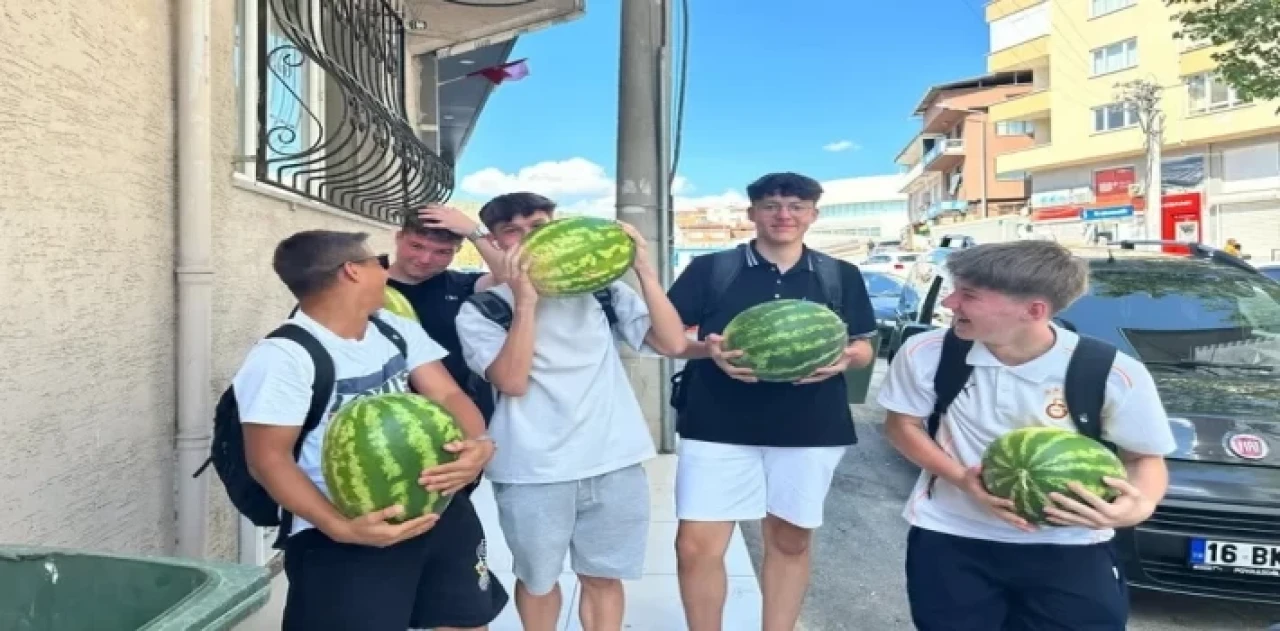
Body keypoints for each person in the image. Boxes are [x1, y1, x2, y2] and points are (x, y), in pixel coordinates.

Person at [878, 240, 1175, 631]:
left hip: (1073, 548)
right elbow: (902, 426)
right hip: (952, 538)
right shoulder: (926, 353)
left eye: (968, 295)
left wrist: (1139, 507)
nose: (950, 304)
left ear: (1033, 311)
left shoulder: (1112, 372)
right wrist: (961, 480)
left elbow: (1144, 459)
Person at [234, 229, 506, 631]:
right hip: (346, 532)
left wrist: (477, 445)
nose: (387, 270)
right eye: (377, 262)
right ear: (352, 272)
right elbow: (267, 460)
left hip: (439, 509)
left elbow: (447, 395)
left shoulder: (392, 328)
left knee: (464, 621)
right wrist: (341, 528)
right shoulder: (283, 357)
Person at [454, 192, 690, 631]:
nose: (528, 240)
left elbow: (673, 343)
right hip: (532, 470)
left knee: (602, 578)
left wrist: (643, 268)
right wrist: (525, 302)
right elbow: (512, 380)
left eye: (539, 228)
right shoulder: (482, 308)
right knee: (539, 581)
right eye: (513, 232)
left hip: (613, 460)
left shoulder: (603, 291)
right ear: (496, 242)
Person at [666, 172, 878, 631]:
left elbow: (864, 347)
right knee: (695, 545)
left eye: (796, 206)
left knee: (790, 541)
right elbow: (666, 338)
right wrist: (710, 350)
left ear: (812, 215)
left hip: (809, 427)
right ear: (753, 213)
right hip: (716, 422)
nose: (784, 215)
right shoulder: (712, 270)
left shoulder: (840, 275)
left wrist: (844, 360)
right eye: (772, 205)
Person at [382, 204, 506, 422]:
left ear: (456, 251)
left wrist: (472, 231)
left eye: (442, 252)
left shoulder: (463, 285)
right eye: (416, 246)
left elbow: (512, 278)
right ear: (399, 237)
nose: (425, 259)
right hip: (387, 416)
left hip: (458, 412)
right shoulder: (363, 283)